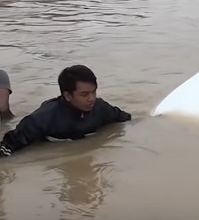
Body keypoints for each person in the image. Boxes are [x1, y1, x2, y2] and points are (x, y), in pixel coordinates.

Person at [0, 65, 131, 157]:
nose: (91, 98)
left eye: (94, 92)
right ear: (67, 95)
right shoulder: (41, 119)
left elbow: (127, 121)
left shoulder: (102, 108)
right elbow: (7, 148)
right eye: (84, 94)